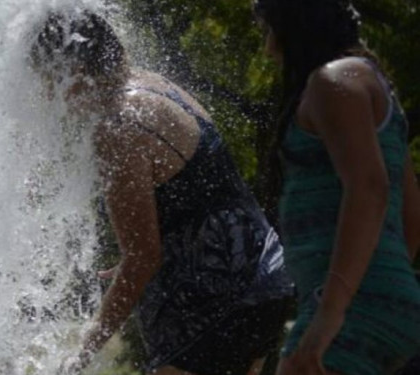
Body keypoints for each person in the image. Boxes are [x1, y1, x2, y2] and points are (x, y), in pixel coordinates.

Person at [29, 9, 293, 375]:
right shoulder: (153, 86)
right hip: (261, 275)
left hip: (216, 299)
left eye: (47, 83)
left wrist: (84, 349)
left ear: (72, 76)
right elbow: (200, 193)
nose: (47, 99)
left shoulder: (118, 127)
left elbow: (143, 257)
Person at [253, 0, 420, 374]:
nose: (267, 48)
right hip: (381, 299)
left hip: (348, 309)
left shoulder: (331, 83)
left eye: (268, 31)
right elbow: (411, 214)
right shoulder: (372, 84)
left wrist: (333, 311)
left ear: (293, 27)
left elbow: (368, 188)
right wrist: (385, 284)